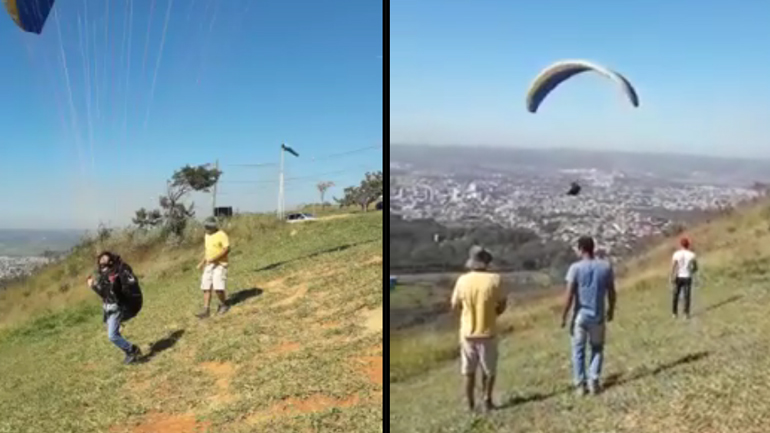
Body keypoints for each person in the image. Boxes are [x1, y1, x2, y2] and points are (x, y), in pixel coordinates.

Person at [450, 246, 506, 412]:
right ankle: (487, 400)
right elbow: (502, 303)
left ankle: (470, 404)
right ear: (487, 262)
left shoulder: (462, 280)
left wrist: (465, 316)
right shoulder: (495, 279)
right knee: (489, 370)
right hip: (488, 330)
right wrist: (494, 313)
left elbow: (455, 305)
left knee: (468, 371)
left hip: (467, 332)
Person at [560, 236, 616, 396]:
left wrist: (564, 316)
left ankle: (580, 384)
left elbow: (569, 295)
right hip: (597, 315)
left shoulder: (575, 269)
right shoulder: (605, 266)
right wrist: (611, 309)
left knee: (578, 350)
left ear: (581, 249)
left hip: (580, 316)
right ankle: (594, 381)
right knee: (597, 348)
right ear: (593, 248)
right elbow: (611, 291)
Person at [87, 251, 143, 364]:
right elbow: (104, 294)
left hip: (117, 307)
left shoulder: (118, 270)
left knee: (112, 335)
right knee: (113, 333)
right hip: (109, 307)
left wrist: (115, 287)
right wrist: (93, 286)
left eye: (105, 256)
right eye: (101, 258)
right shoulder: (103, 274)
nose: (102, 258)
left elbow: (122, 290)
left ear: (111, 260)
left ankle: (132, 350)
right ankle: (131, 350)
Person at [196, 217, 231, 318]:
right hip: (209, 264)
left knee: (218, 287)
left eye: (208, 227)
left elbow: (227, 249)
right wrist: (202, 262)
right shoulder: (207, 236)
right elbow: (208, 251)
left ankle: (223, 304)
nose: (206, 229)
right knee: (206, 286)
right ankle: (206, 310)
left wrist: (215, 259)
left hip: (220, 264)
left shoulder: (221, 235)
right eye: (205, 227)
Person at [671, 237, 698, 319]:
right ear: (688, 245)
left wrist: (671, 276)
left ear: (681, 245)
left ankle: (674, 313)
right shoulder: (692, 255)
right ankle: (686, 313)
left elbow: (673, 266)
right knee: (687, 296)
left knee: (676, 295)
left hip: (679, 276)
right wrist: (692, 271)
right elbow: (695, 267)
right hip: (687, 276)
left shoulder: (676, 254)